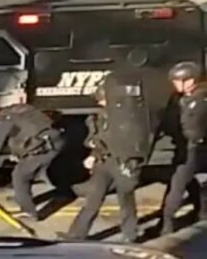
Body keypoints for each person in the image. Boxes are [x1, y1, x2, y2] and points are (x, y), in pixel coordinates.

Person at [63, 71, 154, 243]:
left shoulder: (129, 117)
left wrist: (133, 163)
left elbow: (137, 141)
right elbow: (99, 139)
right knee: (93, 199)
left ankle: (130, 235)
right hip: (104, 161)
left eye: (102, 100)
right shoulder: (101, 116)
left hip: (124, 162)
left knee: (126, 200)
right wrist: (93, 154)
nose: (100, 103)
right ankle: (76, 235)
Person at [0, 102, 64, 220]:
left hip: (45, 147)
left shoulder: (2, 122)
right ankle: (22, 198)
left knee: (19, 175)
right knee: (24, 172)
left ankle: (29, 211)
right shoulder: (9, 113)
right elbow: (22, 133)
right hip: (52, 140)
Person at [159, 61, 207, 234]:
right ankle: (201, 215)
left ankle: (166, 227)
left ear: (190, 81)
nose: (175, 84)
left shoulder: (202, 99)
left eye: (178, 81)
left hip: (196, 148)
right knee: (190, 184)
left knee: (176, 188)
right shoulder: (177, 99)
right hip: (183, 147)